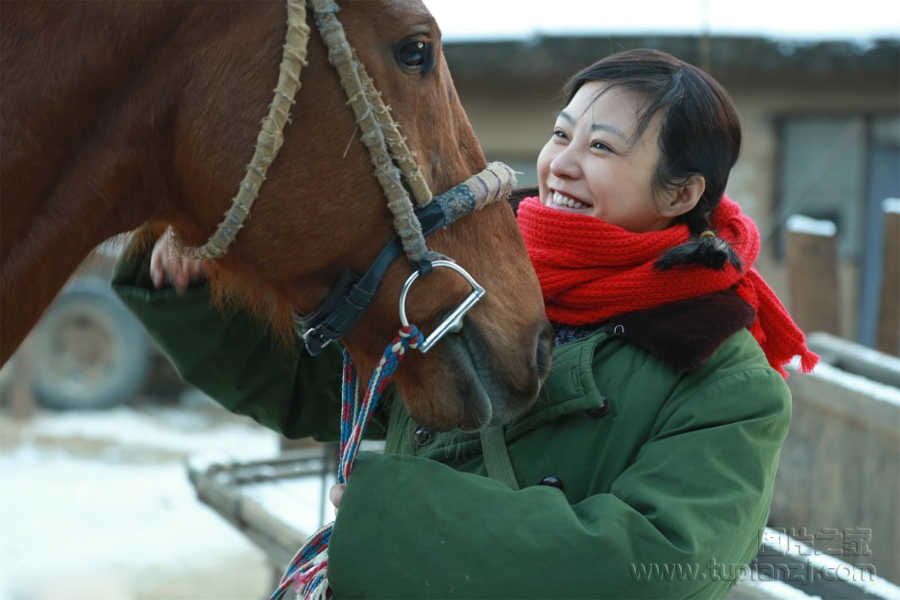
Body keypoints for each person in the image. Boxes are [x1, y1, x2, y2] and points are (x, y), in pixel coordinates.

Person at [112, 48, 817, 599]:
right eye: (561, 134)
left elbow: (659, 562)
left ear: (682, 192)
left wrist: (393, 518)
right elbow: (324, 389)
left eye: (602, 148)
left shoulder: (723, 376)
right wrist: (199, 284)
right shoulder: (478, 282)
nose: (561, 165)